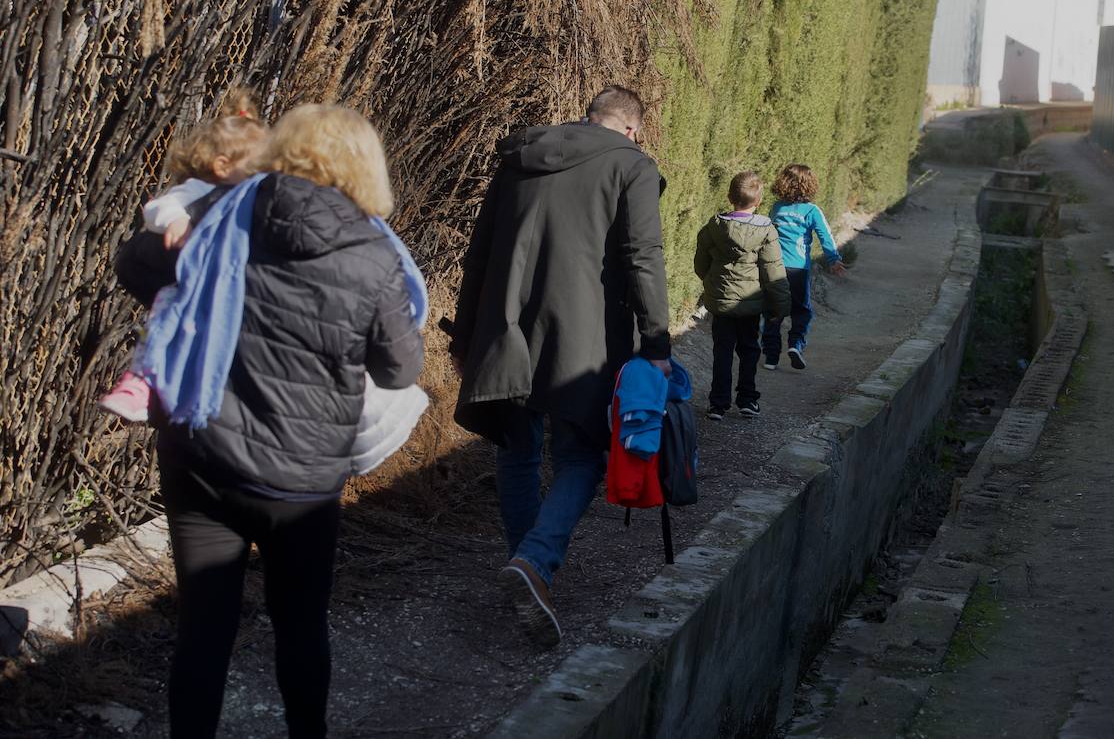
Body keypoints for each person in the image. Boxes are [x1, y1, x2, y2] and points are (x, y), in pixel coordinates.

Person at [115, 103, 424, 739]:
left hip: (203, 457)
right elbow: (398, 370)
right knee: (301, 627)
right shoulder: (373, 254)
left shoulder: (220, 213)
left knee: (203, 629)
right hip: (302, 481)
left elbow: (134, 265)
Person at [447, 85, 671, 648]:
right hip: (584, 338)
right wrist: (658, 343)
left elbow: (480, 248)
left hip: (507, 329)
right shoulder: (633, 166)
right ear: (631, 129)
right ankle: (535, 563)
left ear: (590, 117)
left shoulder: (519, 155)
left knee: (516, 454)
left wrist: (466, 332)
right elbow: (643, 254)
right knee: (582, 458)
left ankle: (527, 566)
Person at [99, 89, 267, 422]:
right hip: (181, 285)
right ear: (223, 166)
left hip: (211, 290)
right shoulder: (199, 190)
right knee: (162, 323)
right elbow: (158, 207)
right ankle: (140, 382)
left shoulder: (247, 199)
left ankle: (175, 389)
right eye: (258, 167)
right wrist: (177, 219)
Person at [693, 171, 789, 421]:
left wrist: (712, 283)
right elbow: (773, 271)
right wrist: (781, 306)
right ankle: (747, 399)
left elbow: (700, 264)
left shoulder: (714, 227)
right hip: (751, 303)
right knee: (749, 349)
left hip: (722, 303)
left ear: (729, 196)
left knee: (722, 350)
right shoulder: (767, 231)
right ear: (758, 201)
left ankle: (717, 404)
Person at [763, 163, 846, 371]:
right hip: (798, 270)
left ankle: (771, 357)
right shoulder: (811, 211)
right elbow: (825, 236)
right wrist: (833, 259)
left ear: (782, 183)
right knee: (802, 311)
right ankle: (795, 345)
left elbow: (766, 234)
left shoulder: (776, 208)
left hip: (774, 269)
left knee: (773, 312)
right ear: (810, 185)